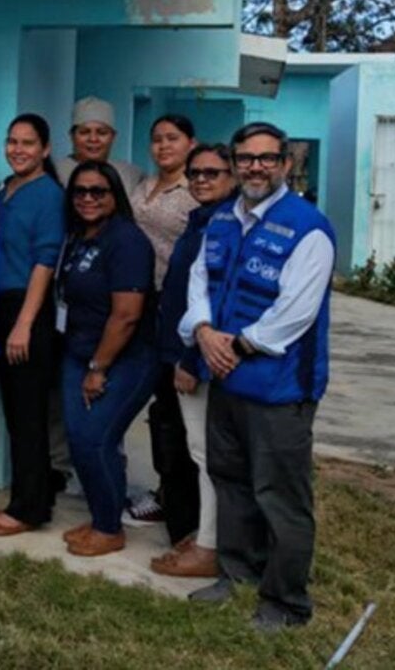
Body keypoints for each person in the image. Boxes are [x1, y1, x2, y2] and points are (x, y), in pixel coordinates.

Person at [180, 122, 335, 632]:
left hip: (279, 388)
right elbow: (200, 282)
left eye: (267, 158)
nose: (256, 167)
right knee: (230, 482)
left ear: (285, 164)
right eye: (246, 158)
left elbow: (296, 313)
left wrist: (235, 345)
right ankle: (237, 575)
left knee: (281, 496)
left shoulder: (308, 228)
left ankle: (286, 603)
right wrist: (204, 331)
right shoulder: (223, 219)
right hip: (227, 379)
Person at [56, 161, 158, 557]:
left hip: (122, 358)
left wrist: (99, 368)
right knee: (82, 440)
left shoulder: (127, 241)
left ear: (115, 196)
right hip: (79, 351)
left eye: (98, 191)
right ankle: (103, 516)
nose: (88, 198)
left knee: (96, 439)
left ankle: (109, 529)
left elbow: (126, 315)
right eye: (80, 191)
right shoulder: (81, 236)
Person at [150, 142, 236, 579]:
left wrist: (190, 359)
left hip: (196, 357)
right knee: (188, 449)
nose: (201, 180)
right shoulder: (201, 219)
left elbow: (215, 300)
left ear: (232, 177)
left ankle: (209, 546)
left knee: (204, 454)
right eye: (195, 173)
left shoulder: (226, 225)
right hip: (177, 349)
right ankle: (197, 533)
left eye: (212, 173)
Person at [0, 114, 64, 537]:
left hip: (27, 308)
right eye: (12, 141)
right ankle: (34, 496)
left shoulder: (48, 194)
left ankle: (28, 509)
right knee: (17, 412)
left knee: (28, 414)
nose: (17, 149)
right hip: (3, 305)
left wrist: (24, 324)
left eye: (28, 143)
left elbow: (45, 261)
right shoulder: (6, 189)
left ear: (45, 149)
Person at [127, 114, 201, 533]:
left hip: (177, 305)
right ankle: (166, 492)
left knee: (175, 407)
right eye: (157, 139)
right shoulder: (144, 184)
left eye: (173, 138)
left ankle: (182, 506)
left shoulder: (195, 191)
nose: (163, 146)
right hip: (142, 303)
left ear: (191, 143)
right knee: (160, 407)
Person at [54, 96, 143, 192]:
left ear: (113, 137)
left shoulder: (132, 175)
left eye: (102, 133)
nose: (93, 139)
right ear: (72, 136)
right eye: (84, 132)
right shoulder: (55, 174)